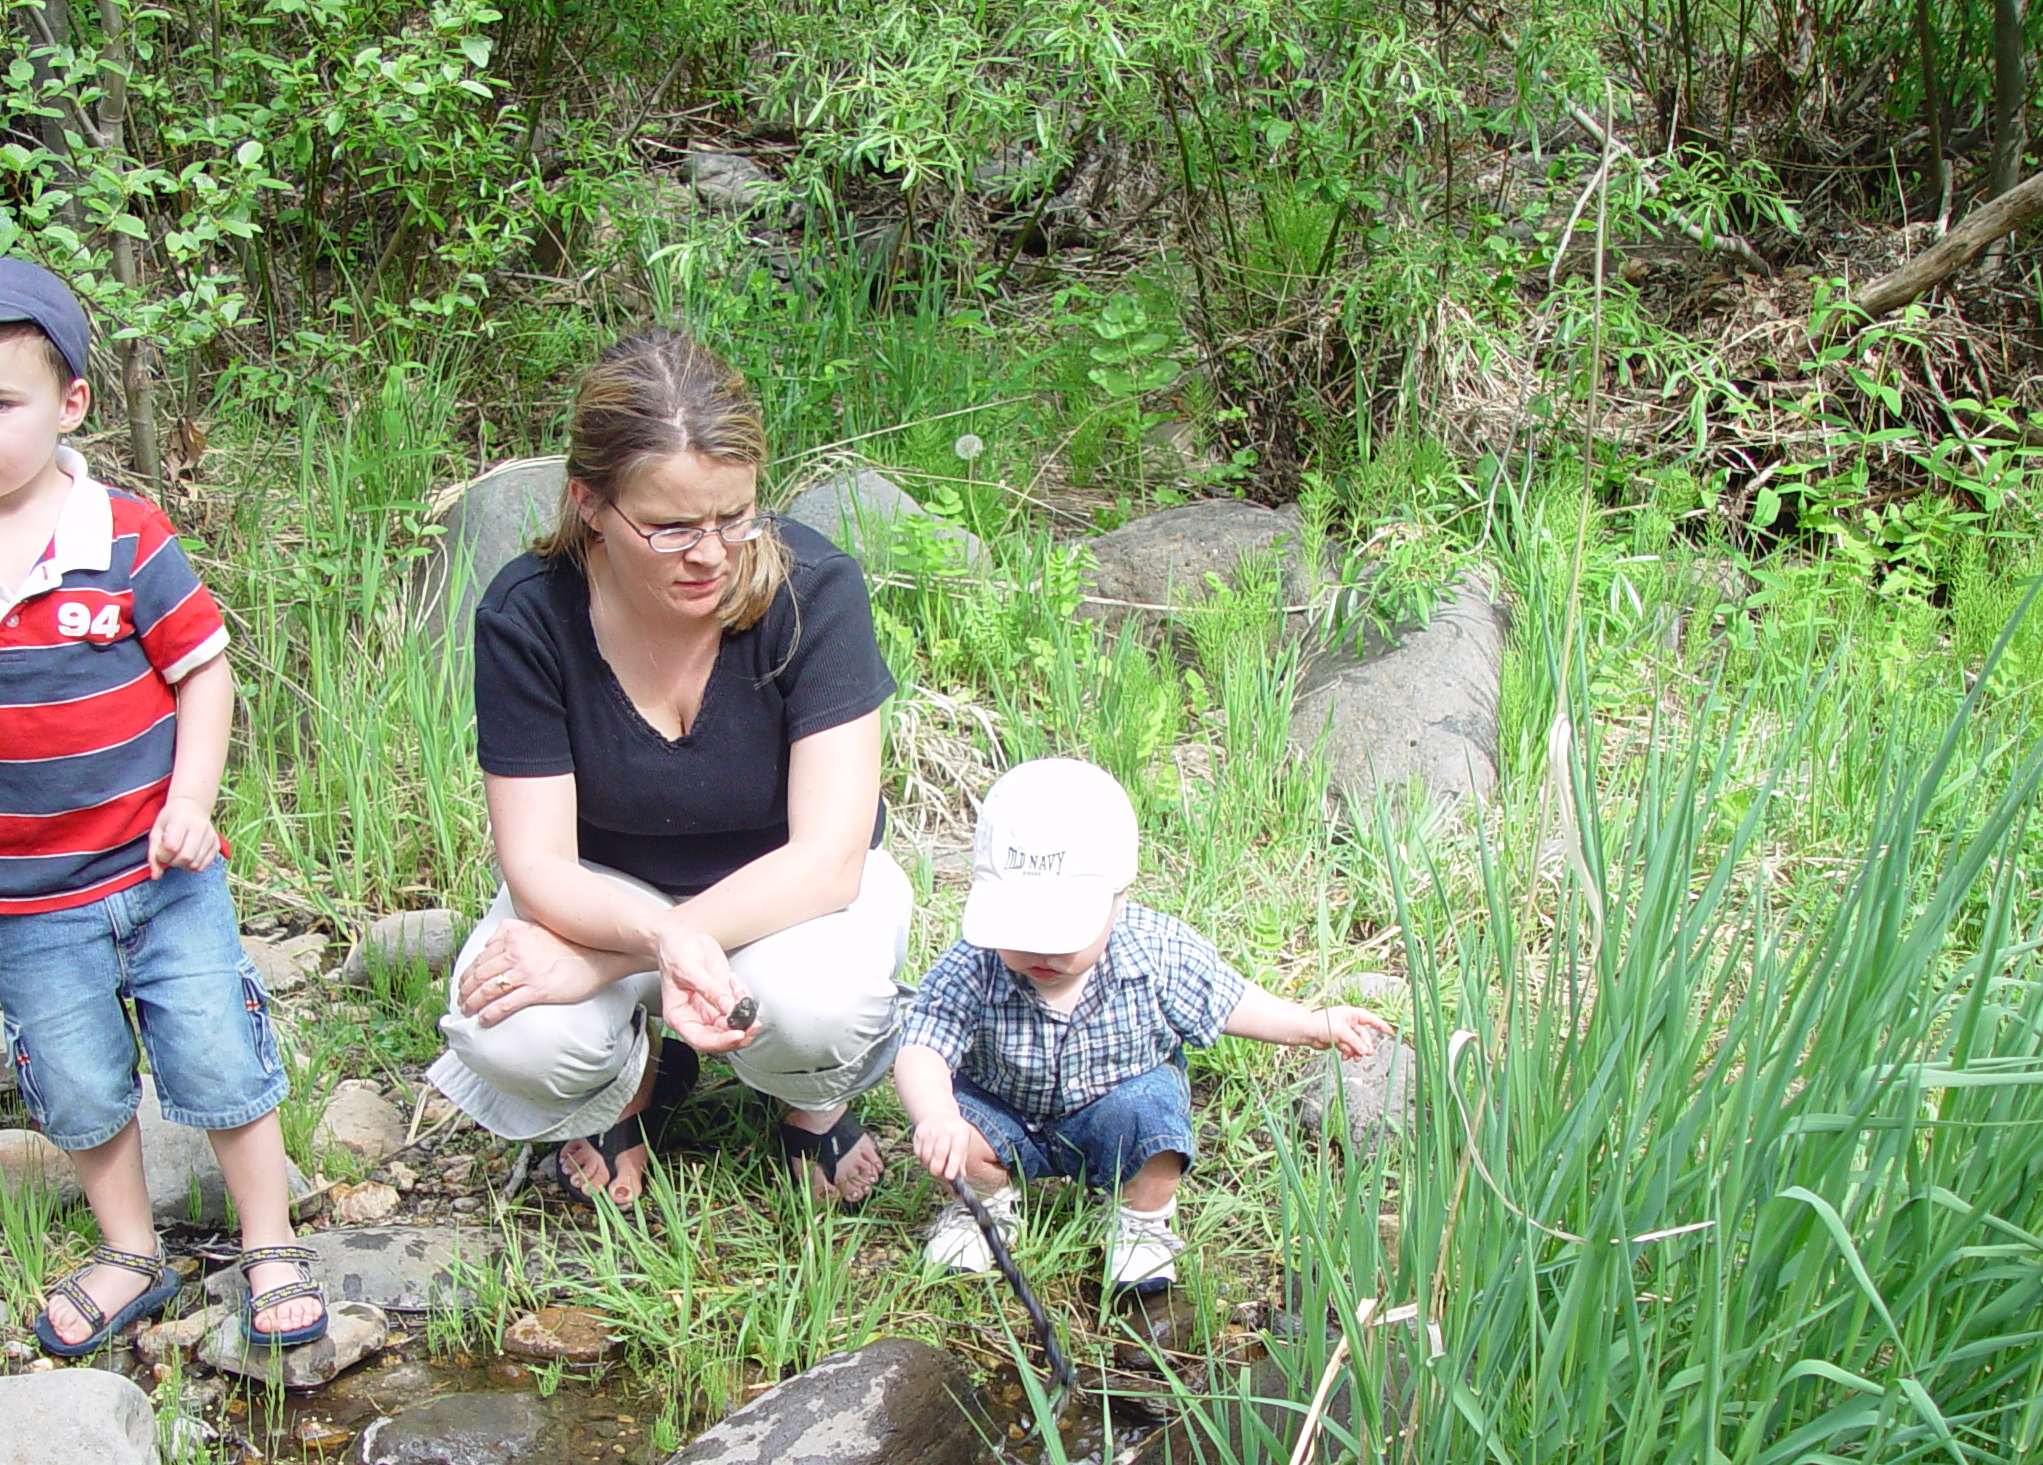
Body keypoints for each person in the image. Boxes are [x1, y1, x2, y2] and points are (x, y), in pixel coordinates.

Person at [0, 257, 326, 1356]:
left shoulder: (124, 534)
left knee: (214, 1048)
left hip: (162, 871)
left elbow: (205, 673)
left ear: (69, 404)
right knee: (73, 1072)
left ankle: (268, 1239)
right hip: (21, 893)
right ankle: (128, 1249)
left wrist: (193, 801)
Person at [428, 330, 911, 1205]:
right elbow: (536, 864)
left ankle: (809, 1104)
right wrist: (652, 943)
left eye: (735, 515)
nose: (712, 553)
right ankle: (639, 1081)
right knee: (512, 1036)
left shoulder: (817, 591)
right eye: (670, 526)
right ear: (588, 505)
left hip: (786, 903)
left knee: (818, 1011)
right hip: (603, 897)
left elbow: (831, 859)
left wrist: (611, 967)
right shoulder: (527, 616)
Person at [895, 758, 1394, 1294]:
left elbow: (1227, 1001)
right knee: (957, 1130)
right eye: (1020, 927)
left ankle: (1141, 1226)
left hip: (1115, 1106)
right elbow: (924, 1044)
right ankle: (984, 1207)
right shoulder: (973, 963)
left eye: (1062, 930)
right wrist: (937, 1113)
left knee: (1154, 1119)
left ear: (1119, 896)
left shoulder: (1155, 951)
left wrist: (1308, 1024)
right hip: (1005, 1110)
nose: (1041, 949)